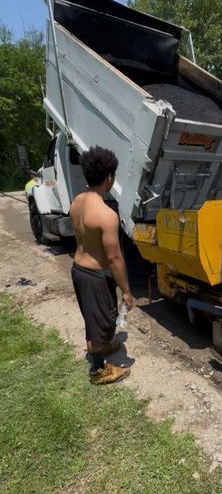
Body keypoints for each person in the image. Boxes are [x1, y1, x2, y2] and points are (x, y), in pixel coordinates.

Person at [70, 145, 134, 385]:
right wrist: (126, 290)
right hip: (94, 275)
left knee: (93, 318)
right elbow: (114, 259)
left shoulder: (77, 201)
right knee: (101, 322)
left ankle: (102, 347)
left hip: (78, 269)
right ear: (109, 178)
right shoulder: (106, 214)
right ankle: (98, 371)